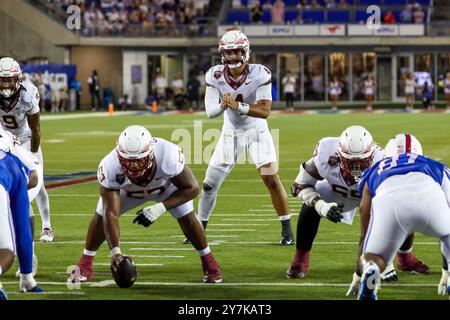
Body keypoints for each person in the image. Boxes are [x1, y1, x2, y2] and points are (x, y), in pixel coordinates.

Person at [68, 125, 222, 284]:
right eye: (127, 160)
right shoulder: (110, 165)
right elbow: (111, 213)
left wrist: (160, 208)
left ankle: (209, 263)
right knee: (101, 216)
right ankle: (85, 263)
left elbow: (192, 188)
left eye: (138, 160)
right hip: (129, 192)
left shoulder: (168, 154)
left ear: (150, 154)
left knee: (187, 216)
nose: (133, 166)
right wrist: (116, 252)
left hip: (164, 188)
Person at [184, 29, 294, 246]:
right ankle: (199, 228)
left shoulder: (260, 73)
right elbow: (210, 112)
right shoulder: (214, 75)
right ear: (222, 53)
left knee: (271, 178)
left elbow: (264, 110)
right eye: (229, 52)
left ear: (246, 51)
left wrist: (238, 106)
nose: (233, 56)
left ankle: (287, 230)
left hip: (257, 133)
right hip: (230, 134)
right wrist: (224, 105)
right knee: (208, 185)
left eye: (237, 51)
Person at [288, 126, 429, 280]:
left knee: (404, 208)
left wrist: (385, 262)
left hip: (371, 194)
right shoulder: (326, 153)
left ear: (371, 155)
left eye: (362, 161)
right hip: (336, 190)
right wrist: (321, 205)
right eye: (351, 162)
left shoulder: (383, 160)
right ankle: (300, 260)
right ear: (339, 155)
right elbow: (300, 185)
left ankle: (405, 258)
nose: (356, 167)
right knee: (309, 208)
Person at [356, 133, 450, 300]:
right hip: (429, 200)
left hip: (389, 205)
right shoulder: (434, 165)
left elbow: (365, 211)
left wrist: (360, 267)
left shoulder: (374, 170)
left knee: (374, 257)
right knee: (447, 232)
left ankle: (371, 270)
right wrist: (446, 269)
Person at [0, 57, 54, 242]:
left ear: (18, 79)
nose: (6, 83)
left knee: (37, 183)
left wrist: (32, 154)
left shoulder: (28, 93)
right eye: (2, 79)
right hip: (4, 140)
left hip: (25, 139)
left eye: (9, 79)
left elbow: (36, 129)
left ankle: (46, 227)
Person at [0, 146, 43, 300]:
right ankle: (27, 280)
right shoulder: (17, 167)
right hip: (5, 178)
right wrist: (26, 276)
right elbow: (22, 228)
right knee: (7, 251)